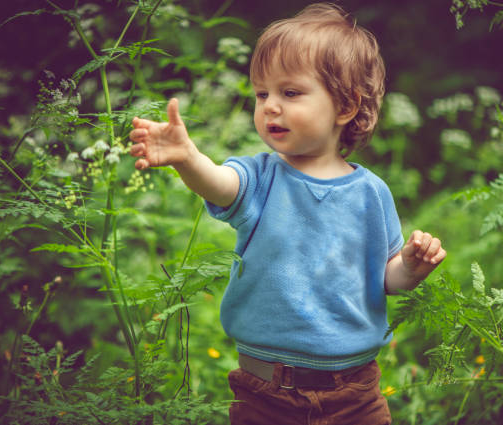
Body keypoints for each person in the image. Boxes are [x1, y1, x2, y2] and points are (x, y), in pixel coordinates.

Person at [129, 3, 446, 424]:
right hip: (266, 393)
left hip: (355, 393)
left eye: (290, 93)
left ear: (346, 107)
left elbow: (386, 279)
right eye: (262, 94)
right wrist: (188, 158)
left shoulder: (372, 193)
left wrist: (410, 266)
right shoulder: (260, 177)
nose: (270, 106)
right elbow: (221, 185)